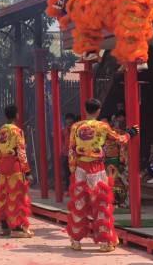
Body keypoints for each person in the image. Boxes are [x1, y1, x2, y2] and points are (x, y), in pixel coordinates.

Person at [67, 98, 138, 252]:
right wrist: (130, 133)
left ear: (85, 109)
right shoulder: (102, 126)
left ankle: (76, 241)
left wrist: (72, 168)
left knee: (79, 203)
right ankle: (105, 242)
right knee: (101, 203)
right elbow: (119, 139)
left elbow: (71, 150)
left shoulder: (76, 127)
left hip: (80, 167)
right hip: (96, 168)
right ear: (98, 111)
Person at [0, 104, 33, 238]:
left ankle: (5, 227)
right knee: (16, 196)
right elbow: (21, 152)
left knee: (4, 196)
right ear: (16, 115)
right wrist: (27, 171)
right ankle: (17, 228)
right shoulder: (17, 131)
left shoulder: (0, 131)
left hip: (2, 166)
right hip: (14, 166)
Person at [102, 115, 128, 207]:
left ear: (109, 123)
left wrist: (121, 160)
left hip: (114, 160)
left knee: (116, 181)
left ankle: (118, 200)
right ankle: (109, 200)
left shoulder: (115, 132)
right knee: (106, 181)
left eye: (105, 123)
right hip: (104, 161)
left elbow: (122, 146)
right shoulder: (99, 134)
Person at [61, 113, 76, 193]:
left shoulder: (76, 129)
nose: (69, 121)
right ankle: (67, 188)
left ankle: (73, 188)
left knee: (74, 172)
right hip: (66, 154)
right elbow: (61, 141)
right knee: (67, 172)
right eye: (67, 119)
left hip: (74, 154)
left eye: (70, 119)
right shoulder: (63, 131)